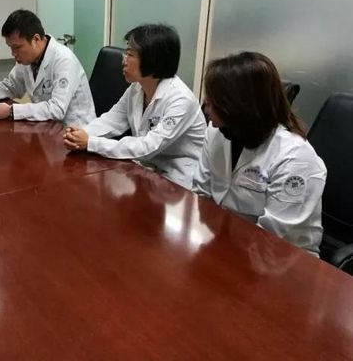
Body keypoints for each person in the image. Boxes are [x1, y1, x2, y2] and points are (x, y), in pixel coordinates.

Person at [193, 51, 326, 256]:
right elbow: (201, 195)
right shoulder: (217, 132)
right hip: (225, 241)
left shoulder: (294, 158)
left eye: (213, 99)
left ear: (236, 105)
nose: (205, 104)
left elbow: (271, 240)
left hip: (283, 260)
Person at [63, 24, 206, 189]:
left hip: (180, 180)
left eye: (130, 54)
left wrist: (91, 142)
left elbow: (149, 146)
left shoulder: (181, 100)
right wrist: (81, 134)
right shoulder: (137, 88)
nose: (123, 60)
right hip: (147, 169)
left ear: (153, 60)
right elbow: (112, 120)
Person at [0, 9, 95, 126]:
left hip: (75, 131)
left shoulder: (64, 60)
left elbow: (57, 109)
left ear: (36, 39)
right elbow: (12, 85)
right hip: (46, 127)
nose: (13, 53)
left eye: (17, 47)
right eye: (11, 48)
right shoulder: (27, 59)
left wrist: (11, 111)